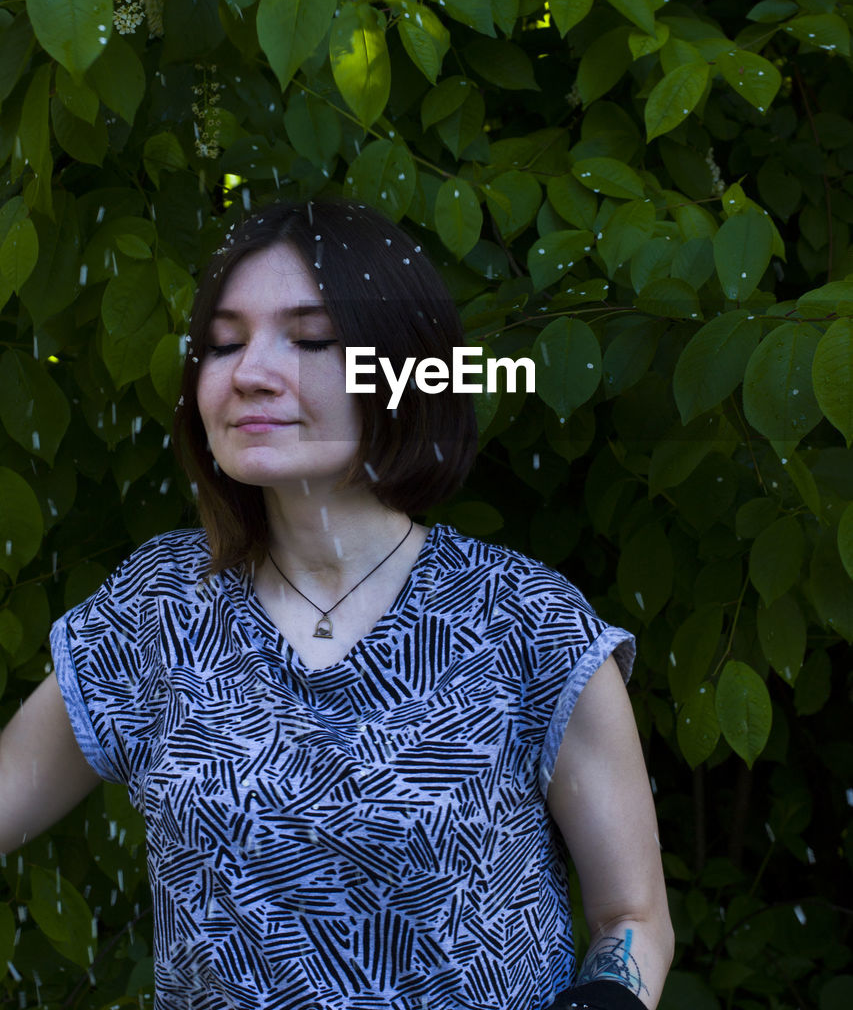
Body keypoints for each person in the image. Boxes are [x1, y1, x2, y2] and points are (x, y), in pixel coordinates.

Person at [0, 198, 674, 1009]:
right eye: (222, 343)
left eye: (311, 339)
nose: (250, 371)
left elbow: (631, 916)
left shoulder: (525, 622)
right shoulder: (158, 609)